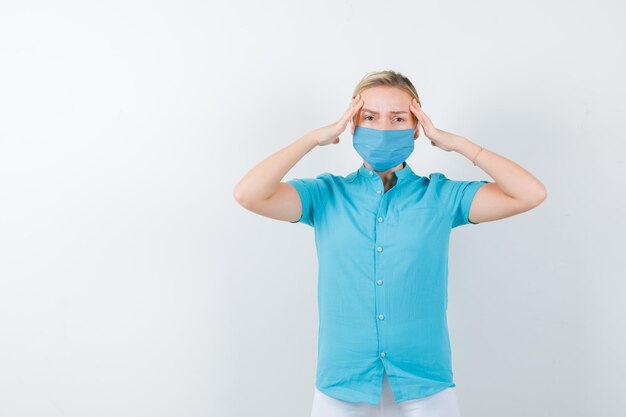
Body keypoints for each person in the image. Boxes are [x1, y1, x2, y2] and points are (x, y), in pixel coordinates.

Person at [233, 70, 547, 417]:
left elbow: (530, 194)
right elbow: (249, 194)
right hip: (342, 383)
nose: (382, 128)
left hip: (425, 384)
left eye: (398, 118)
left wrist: (457, 143)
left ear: (416, 127)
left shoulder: (441, 196)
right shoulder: (325, 195)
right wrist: (311, 139)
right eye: (370, 117)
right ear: (353, 124)